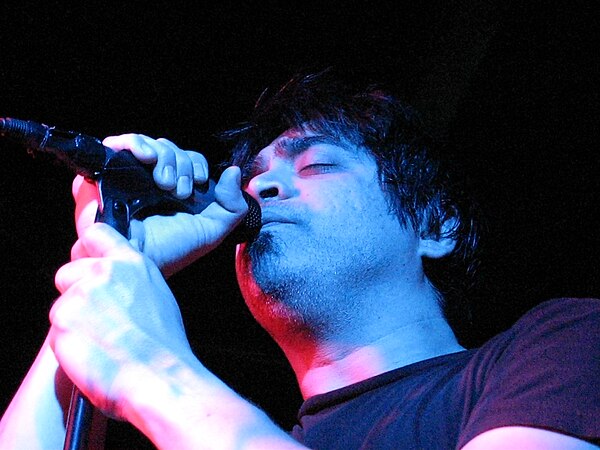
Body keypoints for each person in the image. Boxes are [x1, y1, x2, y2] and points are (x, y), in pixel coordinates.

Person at [0, 70, 598, 449]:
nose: (259, 189)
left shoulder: (565, 343)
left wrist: (156, 373)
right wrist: (119, 249)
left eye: (316, 165)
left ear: (434, 225)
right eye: (255, 176)